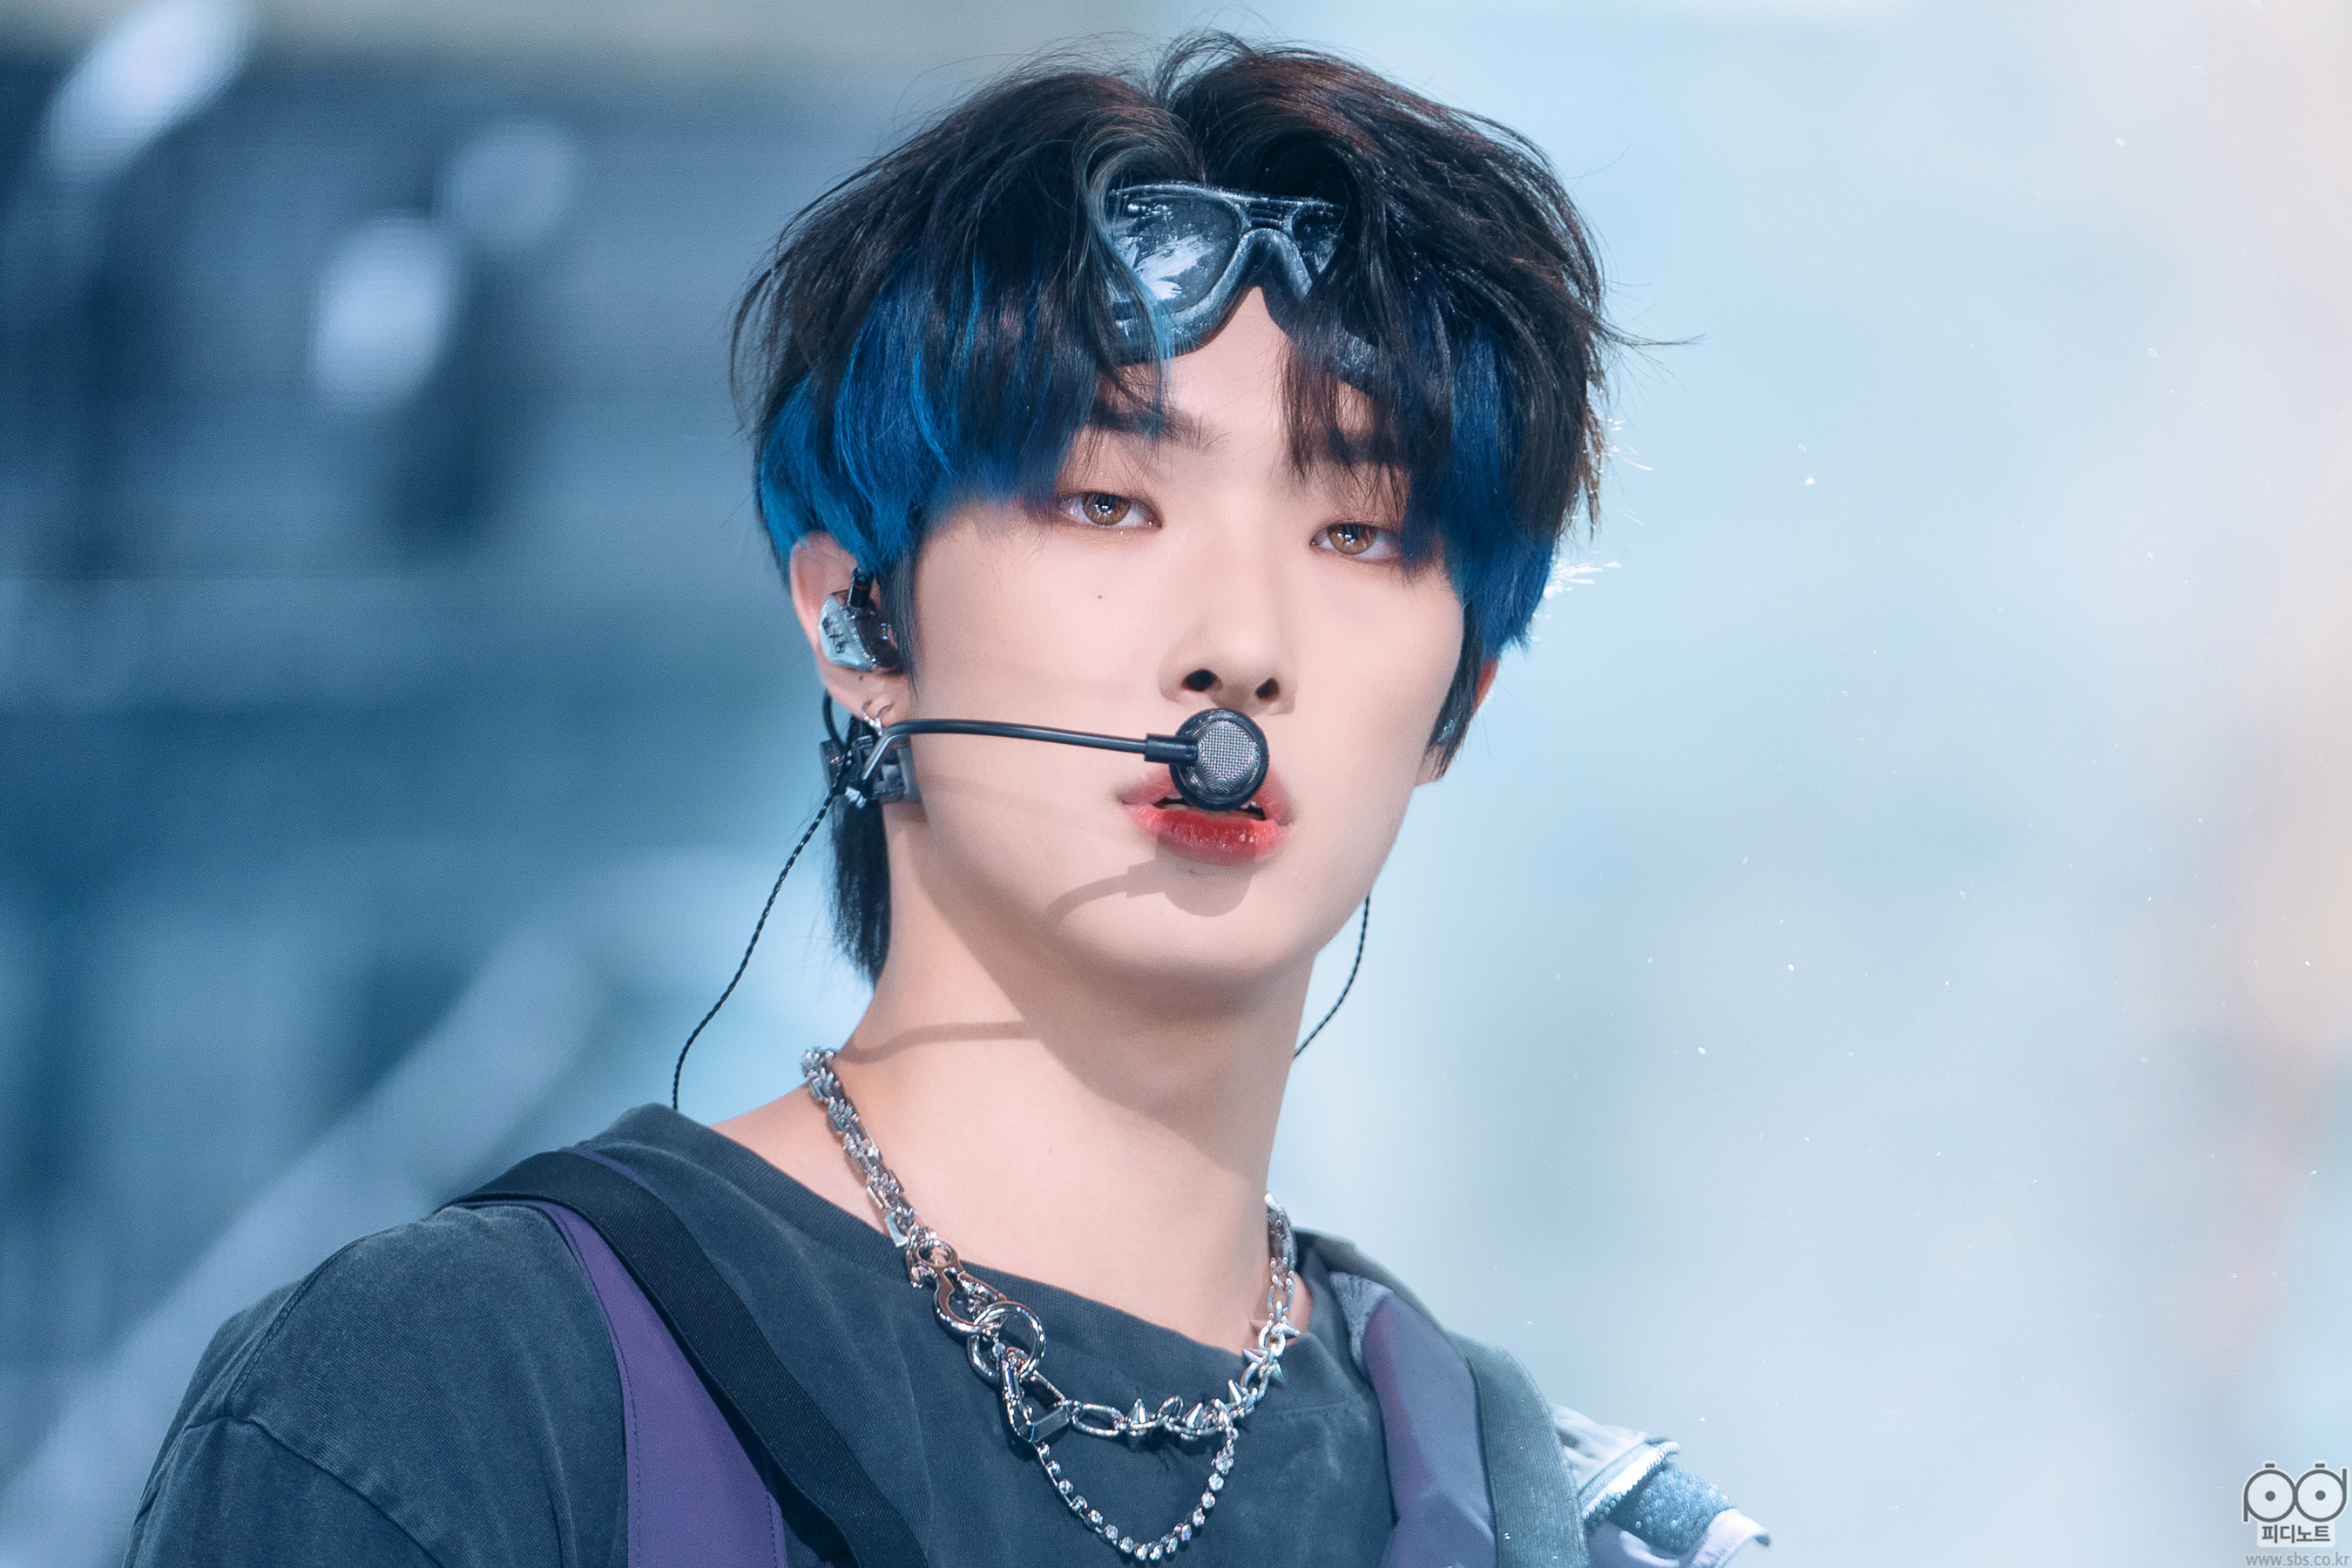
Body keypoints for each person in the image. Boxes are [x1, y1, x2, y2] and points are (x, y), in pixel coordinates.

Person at [127, 36, 1767, 1568]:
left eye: (1362, 533)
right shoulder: (456, 1399)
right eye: (1107, 501)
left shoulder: (1546, 1517)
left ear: (1458, 702)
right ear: (861, 621)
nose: (1243, 648)